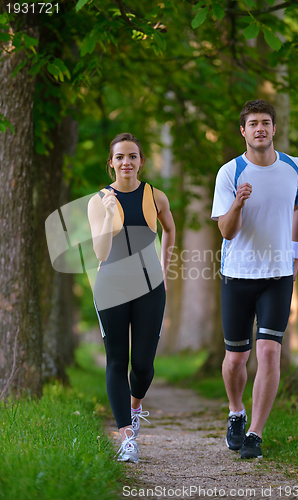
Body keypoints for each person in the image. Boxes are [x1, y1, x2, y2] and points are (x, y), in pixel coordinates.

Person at [211, 99, 298, 459]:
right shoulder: (230, 172)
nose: (260, 129)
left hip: (280, 274)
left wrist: (296, 255)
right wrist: (237, 203)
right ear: (243, 131)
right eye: (253, 123)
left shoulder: (294, 168)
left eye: (265, 122)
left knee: (269, 351)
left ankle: (254, 433)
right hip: (237, 275)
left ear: (274, 127)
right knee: (237, 359)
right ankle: (236, 411)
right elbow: (226, 230)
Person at [88, 133, 175, 463]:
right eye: (120, 157)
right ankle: (126, 437)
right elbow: (101, 251)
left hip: (150, 286)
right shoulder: (99, 201)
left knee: (142, 365)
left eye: (133, 156)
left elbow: (170, 229)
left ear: (141, 161)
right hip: (111, 285)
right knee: (116, 361)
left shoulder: (156, 196)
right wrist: (110, 215)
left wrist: (164, 268)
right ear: (111, 163)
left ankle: (135, 406)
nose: (127, 162)